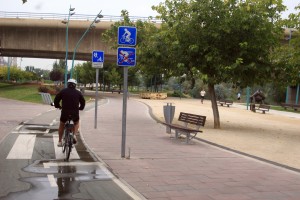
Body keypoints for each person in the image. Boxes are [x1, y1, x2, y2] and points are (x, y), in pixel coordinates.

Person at [54, 79, 85, 147]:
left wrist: (58, 106)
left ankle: (59, 141)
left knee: (62, 124)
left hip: (64, 113)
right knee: (76, 123)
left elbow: (56, 99)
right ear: (75, 85)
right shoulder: (78, 93)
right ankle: (74, 135)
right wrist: (81, 108)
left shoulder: (63, 91)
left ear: (68, 84)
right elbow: (83, 101)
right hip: (75, 113)